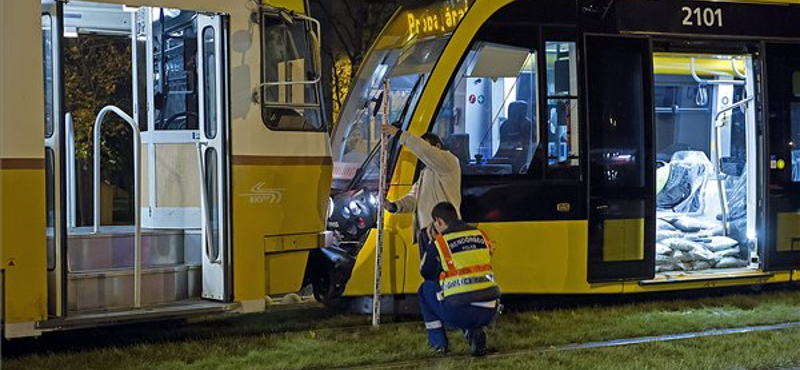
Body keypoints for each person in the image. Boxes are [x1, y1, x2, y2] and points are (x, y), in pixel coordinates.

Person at [418, 202, 500, 357]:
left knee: (425, 290)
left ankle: (438, 345)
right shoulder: (481, 235)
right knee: (464, 294)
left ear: (439, 221)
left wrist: (431, 243)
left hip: (459, 312)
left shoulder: (440, 243)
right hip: (490, 310)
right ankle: (473, 332)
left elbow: (426, 272)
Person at [381, 124, 461, 252]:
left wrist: (400, 134)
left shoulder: (449, 161)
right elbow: (414, 199)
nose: (421, 156)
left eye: (426, 147)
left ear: (438, 147)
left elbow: (425, 151)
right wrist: (394, 206)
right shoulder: (426, 173)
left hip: (445, 232)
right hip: (428, 234)